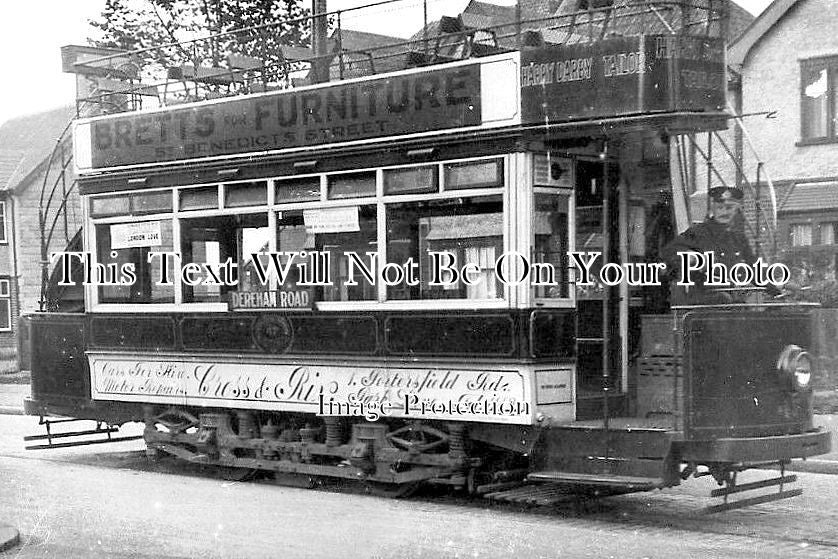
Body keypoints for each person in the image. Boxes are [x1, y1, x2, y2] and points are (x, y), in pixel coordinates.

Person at [663, 186, 756, 305]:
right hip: (704, 306)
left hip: (735, 304)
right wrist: (692, 257)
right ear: (713, 208)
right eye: (720, 207)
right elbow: (669, 251)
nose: (724, 212)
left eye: (729, 208)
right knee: (724, 299)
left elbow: (755, 269)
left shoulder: (739, 239)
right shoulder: (698, 232)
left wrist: (780, 286)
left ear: (736, 209)